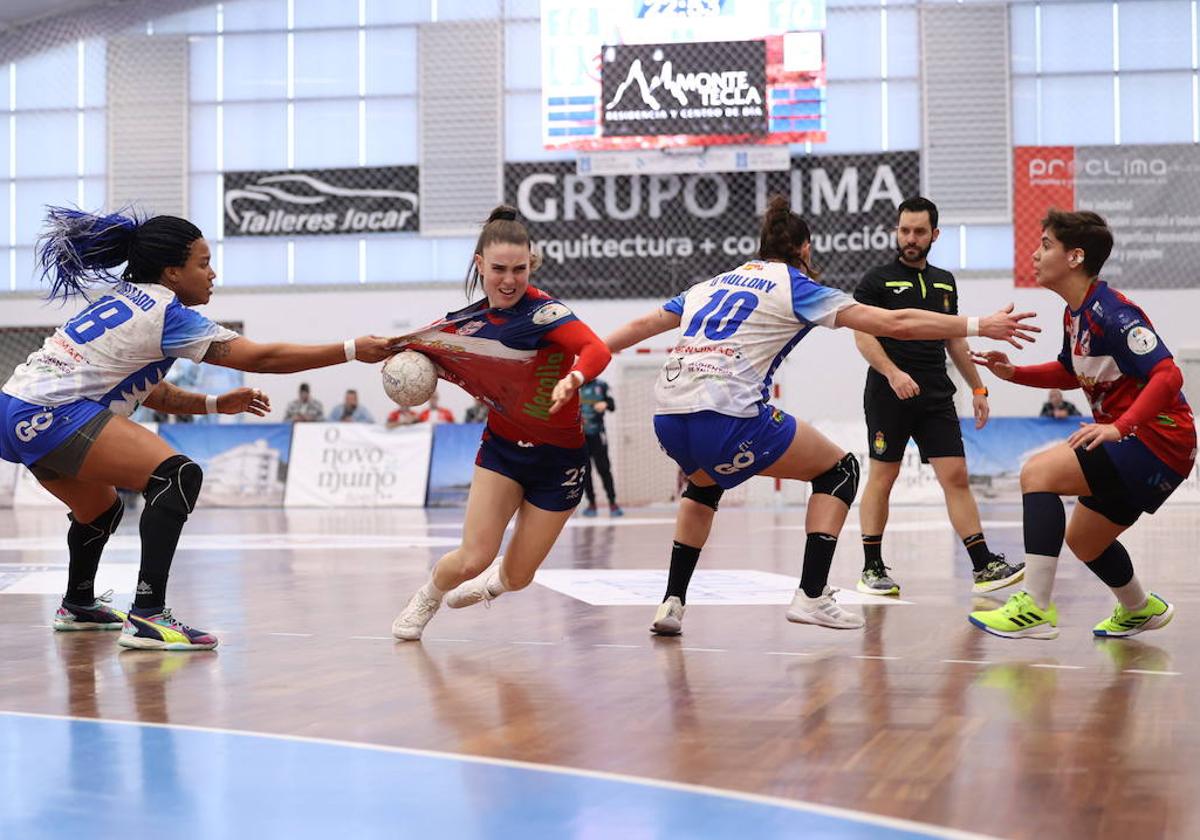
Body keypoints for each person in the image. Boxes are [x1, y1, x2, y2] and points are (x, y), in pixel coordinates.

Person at [603, 195, 1038, 636]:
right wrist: (979, 325)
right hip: (728, 415)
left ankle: (672, 602)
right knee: (841, 471)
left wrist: (586, 361)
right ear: (805, 250)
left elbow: (641, 327)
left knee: (702, 486)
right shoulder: (797, 286)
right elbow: (896, 325)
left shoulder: (710, 284)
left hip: (668, 417)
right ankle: (812, 594)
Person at [0, 207, 394, 651]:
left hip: (15, 409)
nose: (213, 274)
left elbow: (148, 391)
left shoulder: (124, 298)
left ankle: (78, 604)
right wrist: (349, 350)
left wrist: (211, 403)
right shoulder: (168, 314)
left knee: (101, 510)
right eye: (203, 264)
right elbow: (259, 358)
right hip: (54, 413)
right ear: (172, 273)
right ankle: (148, 615)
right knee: (176, 475)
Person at [970, 210, 1194, 640]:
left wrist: (1119, 426)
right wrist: (1015, 373)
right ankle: (1139, 608)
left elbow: (1169, 375)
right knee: (1085, 540)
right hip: (1149, 447)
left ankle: (1034, 608)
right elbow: (1069, 370)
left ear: (1075, 257)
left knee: (1038, 473)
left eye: (1046, 245)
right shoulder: (1076, 315)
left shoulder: (1112, 313)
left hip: (1156, 438)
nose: (1035, 254)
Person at [391, 205, 612, 641]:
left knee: (519, 577)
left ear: (531, 264)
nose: (509, 280)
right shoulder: (465, 325)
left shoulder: (546, 314)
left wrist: (576, 377)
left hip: (560, 463)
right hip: (503, 452)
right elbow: (418, 344)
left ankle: (493, 585)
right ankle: (428, 596)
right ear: (480, 265)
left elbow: (596, 350)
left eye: (519, 269)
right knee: (473, 555)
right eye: (498, 270)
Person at [852, 196, 1023, 597]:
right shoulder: (875, 280)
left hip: (935, 396)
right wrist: (893, 373)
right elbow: (863, 336)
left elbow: (955, 339)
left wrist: (978, 387)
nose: (910, 239)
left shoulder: (945, 281)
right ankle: (872, 568)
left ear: (934, 235)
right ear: (897, 230)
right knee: (884, 476)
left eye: (919, 232)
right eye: (904, 230)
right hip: (888, 394)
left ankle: (983, 565)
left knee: (956, 477)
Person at [579, 376, 622, 517]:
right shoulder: (575, 385)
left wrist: (605, 403)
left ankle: (613, 503)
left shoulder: (602, 385)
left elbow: (612, 404)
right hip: (580, 437)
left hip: (598, 435)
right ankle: (591, 504)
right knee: (585, 471)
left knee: (604, 469)